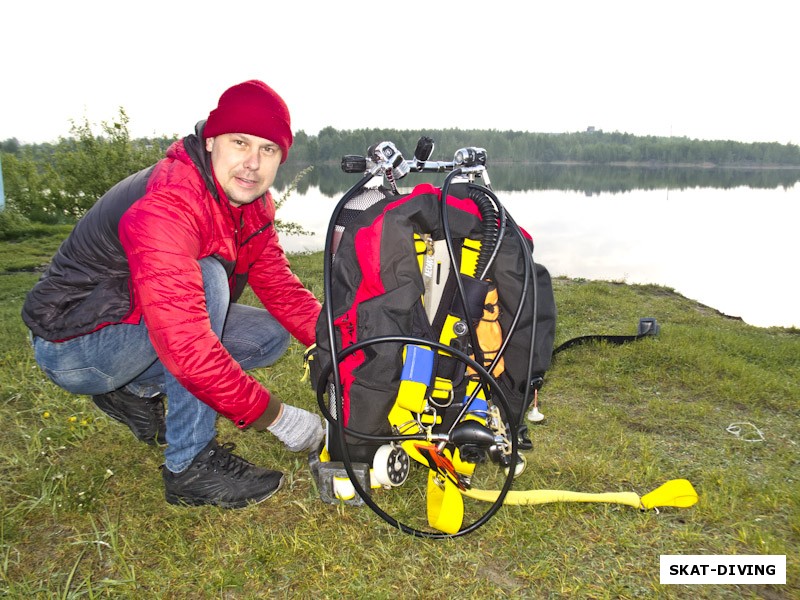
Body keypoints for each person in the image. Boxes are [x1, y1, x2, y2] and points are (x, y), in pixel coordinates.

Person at [22, 80, 324, 509]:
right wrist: (279, 417)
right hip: (75, 345)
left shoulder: (250, 204)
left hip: (132, 324)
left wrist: (340, 344)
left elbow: (280, 285)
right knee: (209, 281)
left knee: (269, 336)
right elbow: (188, 347)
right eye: (240, 143)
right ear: (213, 140)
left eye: (268, 150)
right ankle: (190, 465)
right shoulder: (171, 202)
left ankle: (133, 391)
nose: (252, 163)